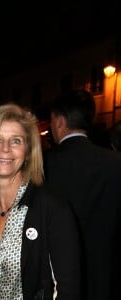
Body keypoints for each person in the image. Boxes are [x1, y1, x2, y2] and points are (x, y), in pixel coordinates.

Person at [0, 103, 81, 300]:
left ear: (27, 151)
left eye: (15, 141)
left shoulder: (53, 208)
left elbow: (69, 291)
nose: (5, 149)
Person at [43, 89, 121, 300]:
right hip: (106, 278)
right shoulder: (115, 163)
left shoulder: (43, 164)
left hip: (59, 281)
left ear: (59, 122)